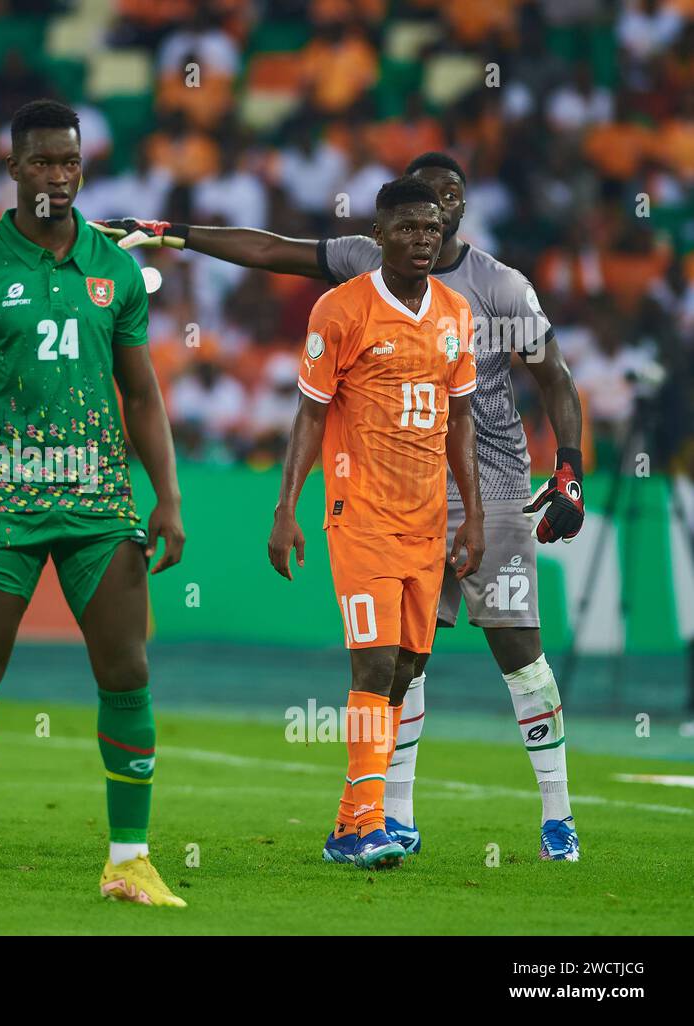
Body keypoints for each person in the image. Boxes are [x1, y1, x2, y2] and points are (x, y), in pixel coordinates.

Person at [100, 151, 585, 861]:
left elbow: (556, 377)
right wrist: (170, 233)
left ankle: (558, 816)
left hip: (494, 485)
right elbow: (270, 251)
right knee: (401, 662)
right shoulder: (365, 264)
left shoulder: (497, 288)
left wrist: (568, 466)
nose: (436, 214)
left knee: (518, 650)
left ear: (461, 206)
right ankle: (392, 814)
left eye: (448, 199)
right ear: (391, 223)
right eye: (421, 206)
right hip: (393, 494)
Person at [0, 99, 187, 906]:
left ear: (81, 166)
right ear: (15, 168)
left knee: (126, 672)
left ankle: (129, 861)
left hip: (100, 505)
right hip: (3, 507)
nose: (58, 174)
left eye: (70, 160)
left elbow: (144, 394)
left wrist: (168, 496)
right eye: (43, 161)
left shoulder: (116, 270)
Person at [266, 177, 483, 869]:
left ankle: (351, 821)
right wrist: (285, 509)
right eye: (409, 228)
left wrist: (471, 515)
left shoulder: (456, 312)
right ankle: (366, 824)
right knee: (377, 660)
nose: (423, 239)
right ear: (381, 233)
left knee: (410, 667)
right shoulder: (341, 309)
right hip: (359, 515)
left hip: (426, 521)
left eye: (432, 229)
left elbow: (462, 419)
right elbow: (309, 412)